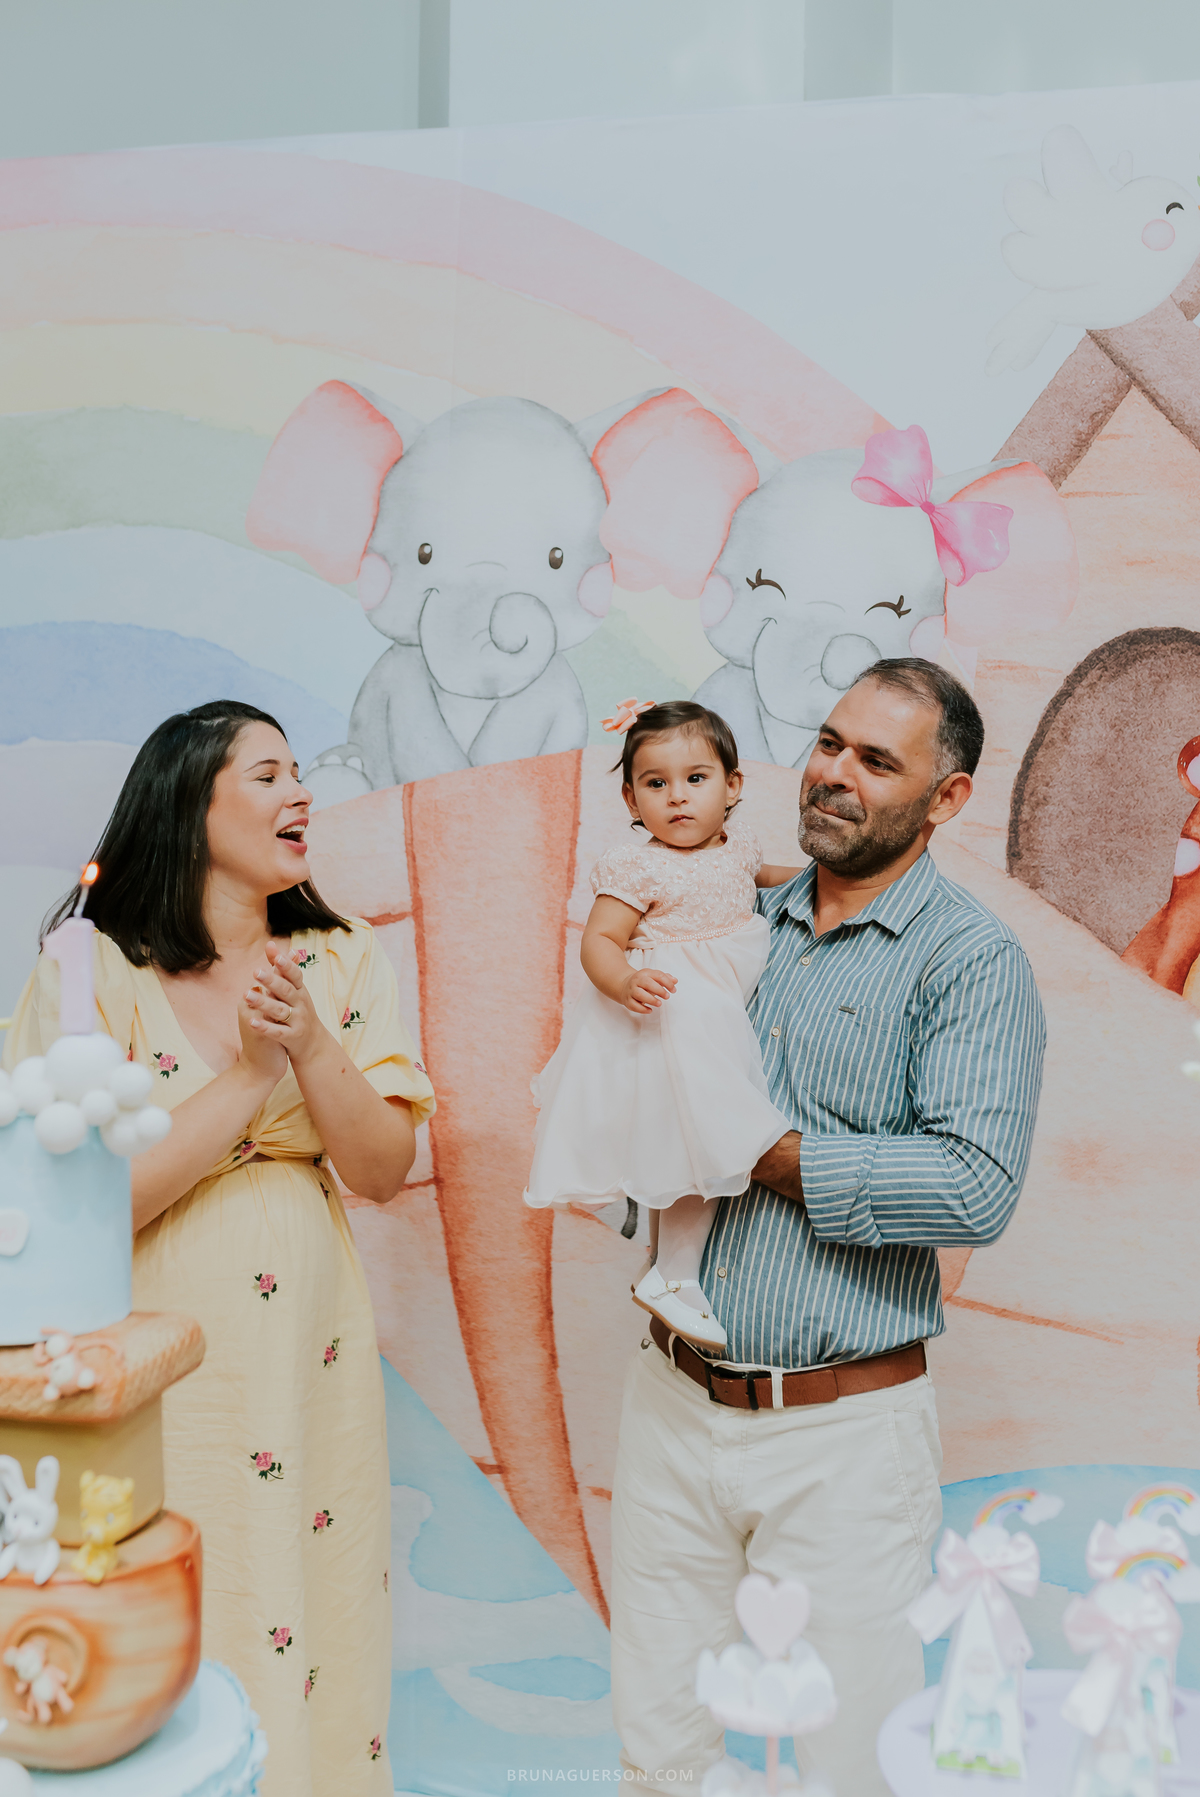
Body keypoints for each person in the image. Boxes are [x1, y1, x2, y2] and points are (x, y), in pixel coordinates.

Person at [608, 660, 1047, 1797]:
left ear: (945, 800)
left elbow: (972, 1190)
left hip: (843, 1439)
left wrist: (756, 1152)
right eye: (830, 742)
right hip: (670, 1406)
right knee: (661, 1751)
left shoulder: (972, 962)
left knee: (852, 1762)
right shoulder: (731, 918)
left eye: (877, 761)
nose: (834, 774)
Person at [4, 700, 434, 1797]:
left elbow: (383, 1170)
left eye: (301, 773)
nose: (301, 794)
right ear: (189, 807)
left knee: (313, 1590)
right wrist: (250, 1076)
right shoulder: (90, 974)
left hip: (309, 1356)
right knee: (177, 1588)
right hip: (149, 1360)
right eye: (267, 775)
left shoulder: (340, 959)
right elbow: (84, 1210)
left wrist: (305, 1043)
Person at [525, 700, 795, 1348]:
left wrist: (827, 881)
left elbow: (771, 880)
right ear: (630, 796)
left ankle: (654, 1249)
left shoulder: (742, 845)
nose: (677, 797)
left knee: (678, 1144)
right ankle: (675, 1274)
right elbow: (599, 942)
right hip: (677, 1006)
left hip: (719, 1005)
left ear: (732, 786)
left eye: (696, 779)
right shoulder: (638, 864)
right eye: (656, 783)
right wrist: (624, 981)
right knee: (700, 1144)